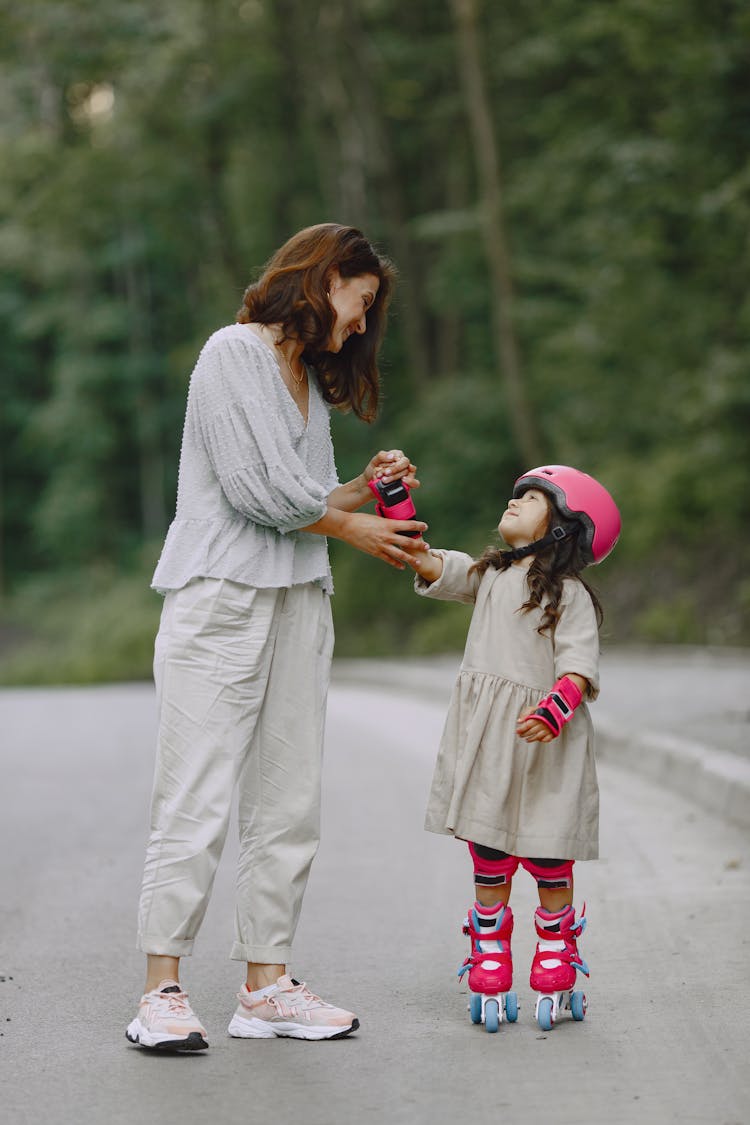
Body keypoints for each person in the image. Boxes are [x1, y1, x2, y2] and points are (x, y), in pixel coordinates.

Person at [126, 223, 429, 1052]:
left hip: (298, 597)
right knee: (195, 794)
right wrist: (352, 527)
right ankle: (161, 990)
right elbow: (258, 494)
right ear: (327, 278)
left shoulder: (305, 379)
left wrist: (366, 490)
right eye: (360, 303)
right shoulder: (233, 353)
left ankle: (266, 985)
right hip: (221, 595)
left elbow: (302, 501)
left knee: (289, 799)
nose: (361, 325)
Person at [406, 464, 620, 1031]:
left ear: (564, 528)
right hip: (492, 741)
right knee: (490, 849)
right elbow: (430, 563)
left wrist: (556, 707)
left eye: (531, 498)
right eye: (517, 493)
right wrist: (398, 511)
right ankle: (490, 951)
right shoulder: (491, 576)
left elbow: (578, 665)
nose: (514, 500)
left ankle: (554, 953)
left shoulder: (568, 595)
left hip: (546, 740)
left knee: (549, 854)